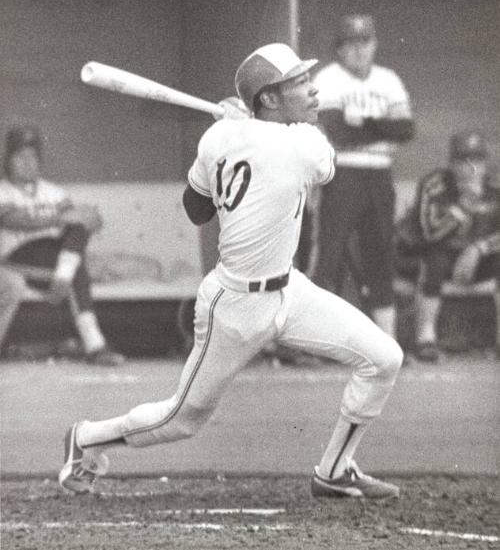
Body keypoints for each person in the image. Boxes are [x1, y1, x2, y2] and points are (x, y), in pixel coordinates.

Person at [58, 43, 403, 499]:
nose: (313, 90)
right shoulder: (298, 144)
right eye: (299, 83)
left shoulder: (221, 136)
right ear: (270, 100)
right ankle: (85, 439)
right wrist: (243, 133)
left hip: (291, 293)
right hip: (235, 305)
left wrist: (233, 134)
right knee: (183, 420)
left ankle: (335, 471)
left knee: (383, 358)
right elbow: (305, 169)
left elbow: (196, 206)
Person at [309, 14, 415, 340]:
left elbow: (406, 129)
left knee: (381, 255)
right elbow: (338, 132)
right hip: (342, 175)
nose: (358, 51)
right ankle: (313, 342)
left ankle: (388, 342)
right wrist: (380, 126)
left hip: (380, 176)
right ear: (339, 49)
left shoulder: (388, 79)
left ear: (374, 44)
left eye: (364, 43)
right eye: (350, 44)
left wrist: (362, 122)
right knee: (329, 256)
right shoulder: (328, 77)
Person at [0, 125, 125, 365]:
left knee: (77, 234)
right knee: (74, 265)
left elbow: (87, 222)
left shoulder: (53, 192)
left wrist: (88, 217)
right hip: (14, 260)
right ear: (8, 160)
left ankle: (65, 277)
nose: (27, 162)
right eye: (20, 156)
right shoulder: (3, 191)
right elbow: (12, 219)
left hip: (51, 264)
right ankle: (95, 345)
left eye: (32, 156)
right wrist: (60, 218)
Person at [395, 130, 500, 362]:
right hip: (443, 257)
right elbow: (428, 234)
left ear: (486, 162)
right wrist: (463, 206)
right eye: (463, 160)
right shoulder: (435, 184)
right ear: (451, 163)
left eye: (477, 160)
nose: (470, 167)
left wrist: (479, 248)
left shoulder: (496, 186)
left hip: (480, 258)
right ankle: (426, 339)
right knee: (435, 258)